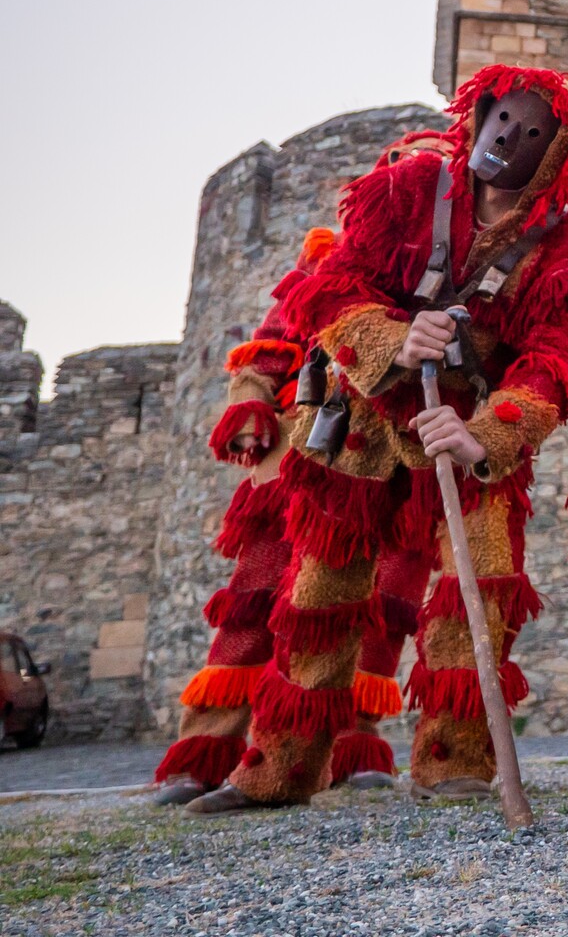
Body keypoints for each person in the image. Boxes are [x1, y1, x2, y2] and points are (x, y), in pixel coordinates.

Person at [187, 66, 568, 811]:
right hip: (361, 427)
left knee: (477, 591)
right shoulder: (409, 189)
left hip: (467, 438)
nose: (508, 139)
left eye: (532, 133)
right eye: (502, 119)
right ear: (479, 114)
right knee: (319, 595)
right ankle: (278, 768)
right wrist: (393, 336)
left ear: (556, 155)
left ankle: (452, 762)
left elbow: (557, 364)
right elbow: (329, 288)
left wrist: (482, 433)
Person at [150, 229, 339, 804]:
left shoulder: (442, 258)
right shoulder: (324, 262)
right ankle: (206, 754)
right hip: (293, 456)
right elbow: (267, 349)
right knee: (252, 605)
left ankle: (332, 756)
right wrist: (250, 400)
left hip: (376, 459)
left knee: (343, 615)